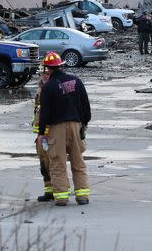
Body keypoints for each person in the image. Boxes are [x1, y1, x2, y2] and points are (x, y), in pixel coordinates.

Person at [37, 52, 91, 206]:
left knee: (57, 161)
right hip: (75, 125)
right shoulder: (76, 81)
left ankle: (61, 197)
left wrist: (41, 133)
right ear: (61, 65)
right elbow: (85, 106)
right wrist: (84, 123)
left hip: (56, 128)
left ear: (47, 68)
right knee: (78, 160)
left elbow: (45, 112)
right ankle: (82, 196)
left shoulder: (49, 87)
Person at [32, 67, 53, 201]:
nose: (44, 76)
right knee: (43, 166)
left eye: (47, 73)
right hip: (41, 135)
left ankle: (59, 190)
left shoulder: (52, 89)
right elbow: (37, 111)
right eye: (42, 73)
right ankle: (48, 191)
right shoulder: (40, 89)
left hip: (51, 134)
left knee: (54, 164)